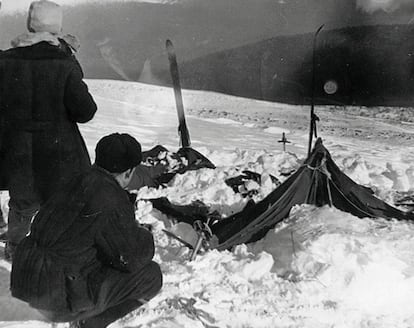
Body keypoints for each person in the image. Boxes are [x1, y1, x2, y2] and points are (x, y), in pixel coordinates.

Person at [10, 133, 163, 328]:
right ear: (128, 172)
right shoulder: (110, 197)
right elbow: (130, 259)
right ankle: (89, 323)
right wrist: (144, 235)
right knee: (151, 276)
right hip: (55, 298)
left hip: (24, 278)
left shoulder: (74, 178)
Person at [0, 0, 97, 257]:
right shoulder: (64, 63)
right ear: (58, 27)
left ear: (29, 24)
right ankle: (56, 250)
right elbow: (86, 112)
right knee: (60, 203)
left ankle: (16, 249)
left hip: (16, 151)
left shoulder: (4, 60)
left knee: (21, 203)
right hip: (59, 153)